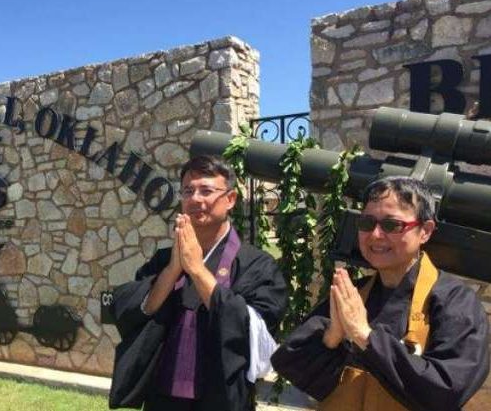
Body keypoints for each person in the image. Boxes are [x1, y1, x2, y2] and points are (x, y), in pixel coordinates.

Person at [271, 176, 490, 411]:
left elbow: (447, 391)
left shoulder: (454, 302)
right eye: (367, 223)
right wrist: (332, 336)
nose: (375, 235)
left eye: (391, 225)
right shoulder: (353, 295)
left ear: (425, 231)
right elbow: (290, 362)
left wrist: (365, 337)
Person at [109, 155, 287, 411]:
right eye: (188, 191)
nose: (195, 199)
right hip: (162, 400)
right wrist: (173, 270)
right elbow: (135, 311)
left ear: (231, 200)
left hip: (222, 399)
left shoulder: (258, 265)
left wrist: (195, 268)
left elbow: (255, 334)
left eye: (206, 190)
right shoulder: (164, 259)